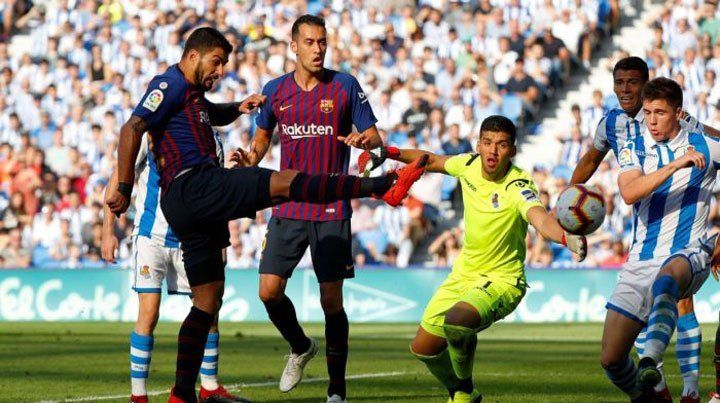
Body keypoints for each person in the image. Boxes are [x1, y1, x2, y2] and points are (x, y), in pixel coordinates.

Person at [106, 27, 428, 403]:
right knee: (284, 183)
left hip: (193, 207)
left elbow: (210, 113)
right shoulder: (170, 83)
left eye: (224, 64)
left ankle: (182, 395)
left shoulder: (193, 96)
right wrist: (124, 186)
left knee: (208, 299)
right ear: (193, 56)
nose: (220, 71)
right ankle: (380, 187)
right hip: (196, 185)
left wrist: (236, 108)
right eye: (216, 62)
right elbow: (132, 127)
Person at [359, 115, 587, 403]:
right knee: (423, 348)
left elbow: (539, 218)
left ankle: (464, 392)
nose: (493, 151)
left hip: (503, 281)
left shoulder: (518, 185)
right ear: (478, 145)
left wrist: (566, 237)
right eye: (488, 143)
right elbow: (429, 160)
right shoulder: (467, 165)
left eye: (501, 145)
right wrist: (389, 152)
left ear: (512, 150)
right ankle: (463, 392)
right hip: (463, 275)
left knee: (457, 321)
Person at [233, 15, 382, 403]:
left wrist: (365, 142)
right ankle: (300, 345)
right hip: (289, 204)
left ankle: (336, 390)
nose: (318, 49)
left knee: (331, 300)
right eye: (311, 42)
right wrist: (250, 159)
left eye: (323, 42)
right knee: (268, 292)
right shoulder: (275, 90)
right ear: (294, 46)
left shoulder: (345, 86)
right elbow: (261, 140)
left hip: (332, 205)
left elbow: (376, 139)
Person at [570, 57, 717, 402]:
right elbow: (624, 188)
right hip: (641, 254)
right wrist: (569, 199)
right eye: (619, 82)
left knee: (672, 284)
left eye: (633, 82)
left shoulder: (699, 141)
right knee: (610, 359)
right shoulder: (626, 141)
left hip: (688, 250)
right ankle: (652, 394)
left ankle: (674, 376)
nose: (651, 119)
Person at [101, 134, 246, 403]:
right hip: (151, 236)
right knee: (149, 312)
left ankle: (209, 387)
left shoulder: (211, 139)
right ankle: (138, 395)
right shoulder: (150, 133)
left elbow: (216, 193)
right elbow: (118, 177)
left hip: (192, 239)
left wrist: (221, 240)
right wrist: (107, 231)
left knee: (209, 309)